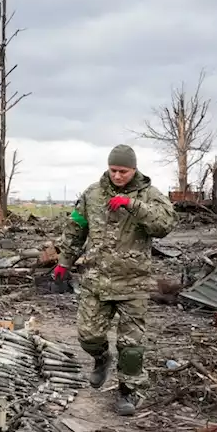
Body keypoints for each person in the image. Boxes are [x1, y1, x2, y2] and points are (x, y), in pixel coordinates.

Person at [52, 145, 176, 415]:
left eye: (124, 171)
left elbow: (165, 225)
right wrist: (64, 262)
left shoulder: (149, 195)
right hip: (96, 280)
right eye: (114, 170)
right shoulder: (92, 194)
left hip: (132, 283)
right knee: (88, 336)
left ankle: (127, 393)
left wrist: (133, 205)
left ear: (134, 169)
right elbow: (75, 227)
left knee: (131, 347)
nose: (118, 176)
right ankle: (101, 358)